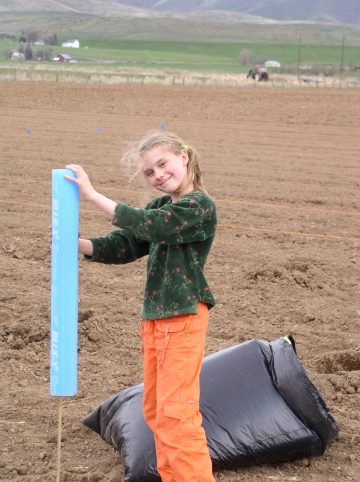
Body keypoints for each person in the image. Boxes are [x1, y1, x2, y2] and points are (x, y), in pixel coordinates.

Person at [63, 130, 217, 482]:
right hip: (156, 320)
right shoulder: (162, 206)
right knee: (157, 412)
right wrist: (80, 245)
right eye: (150, 172)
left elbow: (154, 227)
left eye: (162, 164)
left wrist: (92, 195)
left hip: (182, 317)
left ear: (184, 157)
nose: (158, 175)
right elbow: (128, 244)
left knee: (177, 416)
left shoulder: (199, 207)